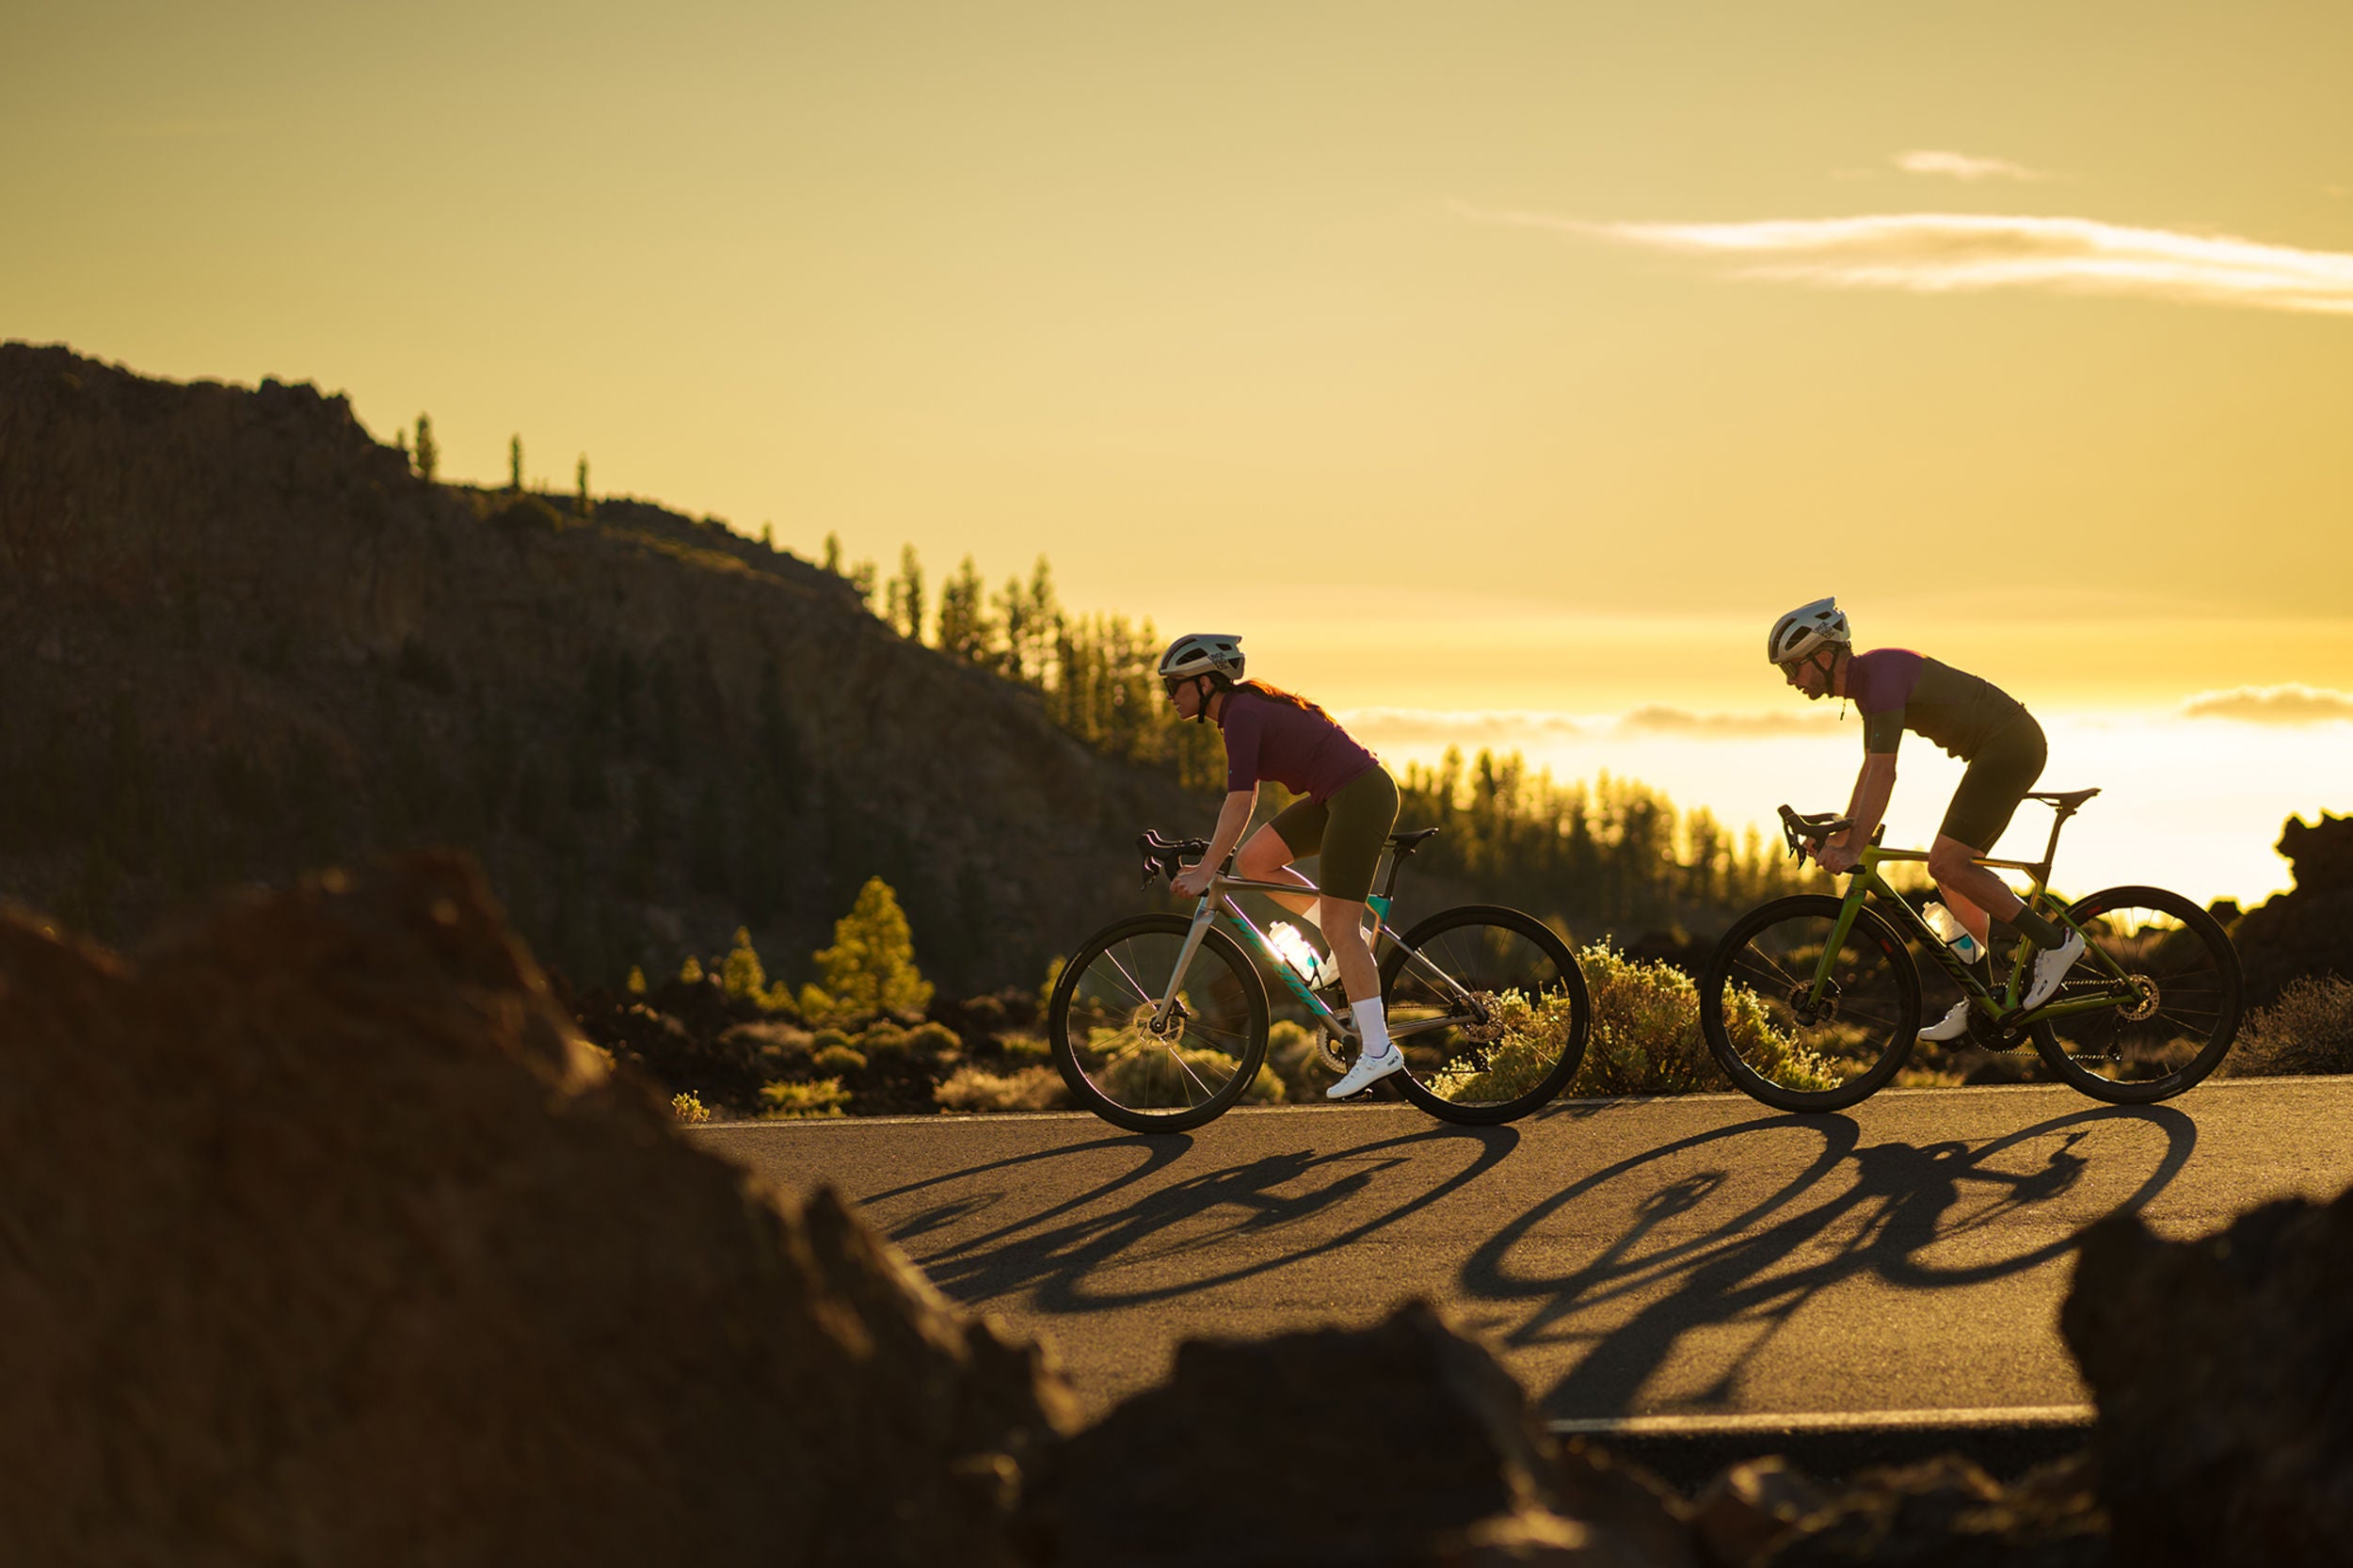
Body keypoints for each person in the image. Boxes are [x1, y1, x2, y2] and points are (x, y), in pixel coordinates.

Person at [1768, 598, 2086, 1040]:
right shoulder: (1867, 685)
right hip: (2001, 749)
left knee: (1947, 863)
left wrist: (1855, 844)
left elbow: (1885, 771)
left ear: (1823, 658)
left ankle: (2056, 943)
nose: (1790, 681)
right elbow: (1869, 769)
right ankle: (1985, 998)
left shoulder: (1878, 679)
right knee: (1954, 877)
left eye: (1793, 668)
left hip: (2009, 747)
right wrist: (1845, 832)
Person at [1157, 632, 1404, 1097]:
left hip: (1360, 796)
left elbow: (1240, 802)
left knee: (1340, 926)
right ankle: (1338, 947)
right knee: (1254, 861)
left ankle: (1378, 1050)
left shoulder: (1242, 714)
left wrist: (1207, 869)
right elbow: (1241, 818)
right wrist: (1218, 860)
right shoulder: (1239, 713)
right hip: (1335, 797)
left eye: (1175, 685)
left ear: (1207, 682)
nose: (1170, 696)